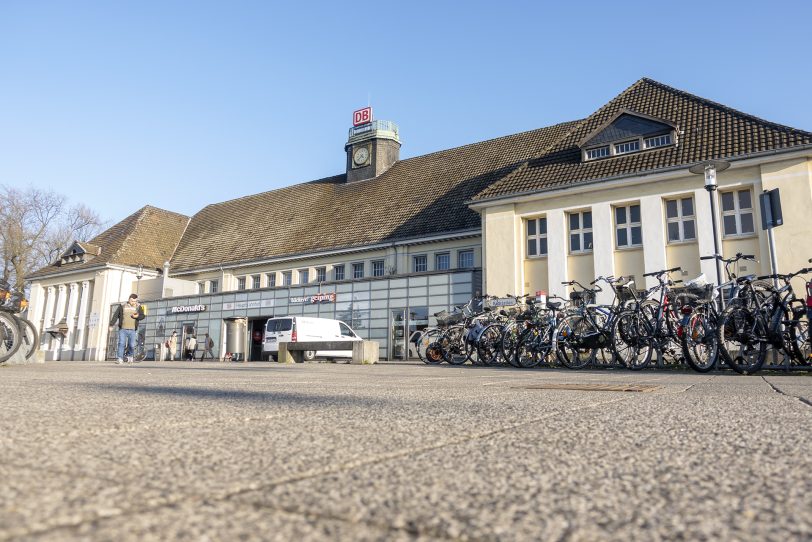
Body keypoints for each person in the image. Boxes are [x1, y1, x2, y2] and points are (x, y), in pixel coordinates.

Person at [109, 293, 145, 364]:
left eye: (135, 301)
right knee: (121, 343)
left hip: (133, 330)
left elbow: (142, 316)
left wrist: (137, 316)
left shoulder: (138, 306)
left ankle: (130, 356)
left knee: (131, 345)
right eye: (132, 301)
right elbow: (116, 315)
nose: (133, 303)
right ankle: (120, 358)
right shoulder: (122, 305)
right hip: (123, 329)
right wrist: (111, 325)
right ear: (129, 299)